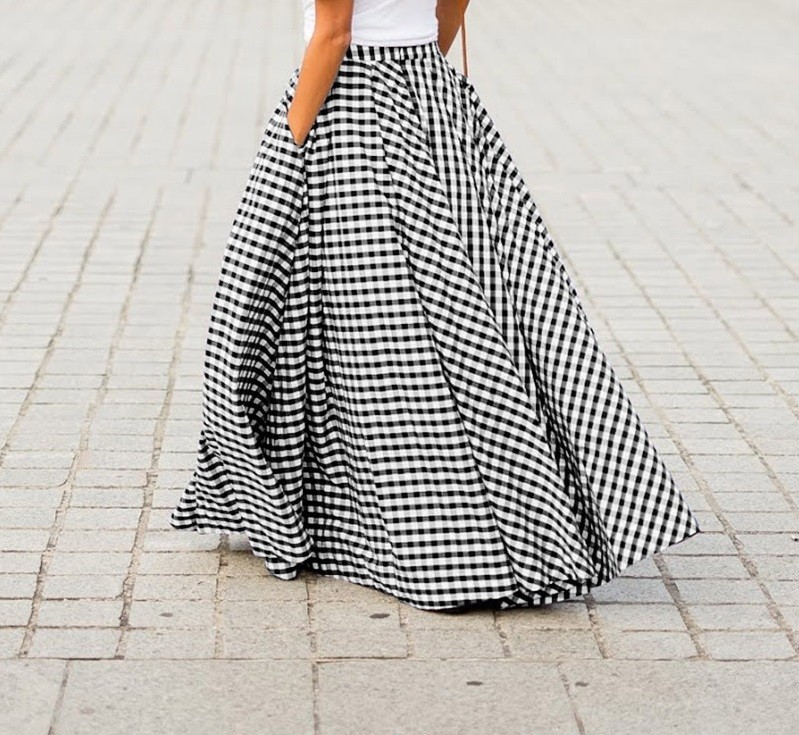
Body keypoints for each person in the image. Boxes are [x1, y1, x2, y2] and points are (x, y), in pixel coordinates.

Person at [170, 0, 700, 612]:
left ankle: (391, 526)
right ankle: (503, 517)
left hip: (351, 105)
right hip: (432, 98)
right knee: (461, 316)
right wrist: (417, 64)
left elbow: (334, 34)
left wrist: (290, 141)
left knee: (335, 325)